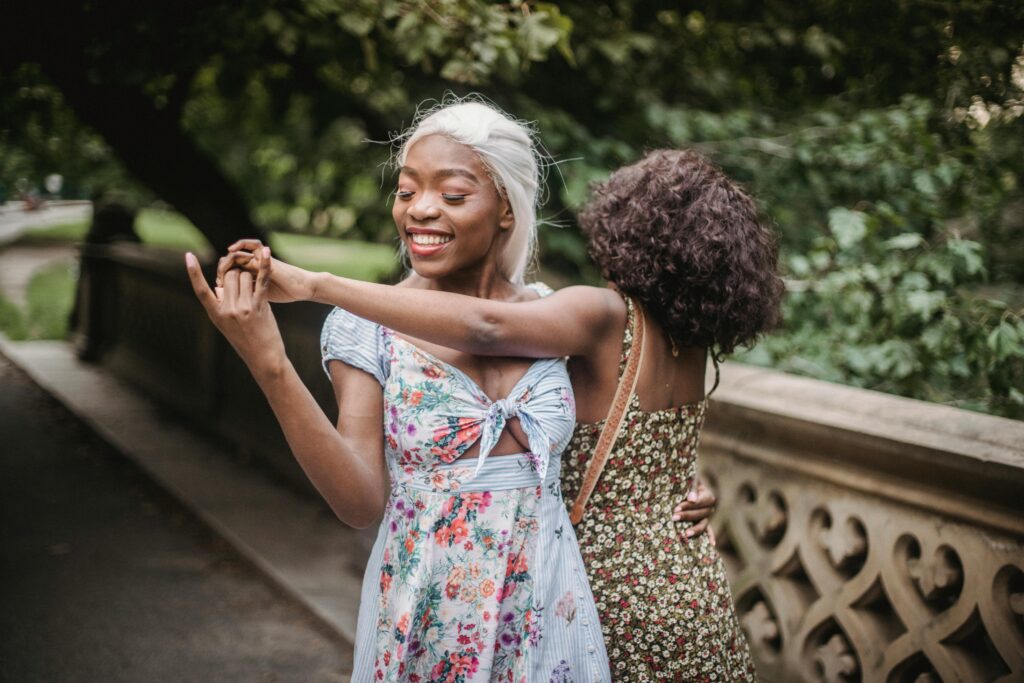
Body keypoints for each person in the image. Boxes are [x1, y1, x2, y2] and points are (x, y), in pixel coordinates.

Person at [218, 146, 782, 680]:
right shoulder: (692, 346)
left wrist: (318, 286)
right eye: (406, 189)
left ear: (628, 231)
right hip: (693, 593)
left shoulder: (596, 314)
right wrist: (690, 489)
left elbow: (486, 326)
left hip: (604, 597)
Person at [187, 100, 614, 682]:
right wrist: (270, 364)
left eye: (454, 195)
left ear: (507, 209)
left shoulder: (550, 316)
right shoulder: (364, 330)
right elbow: (357, 503)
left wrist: (685, 491)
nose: (421, 210)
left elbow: (621, 426)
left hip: (548, 611)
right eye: (408, 191)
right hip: (429, 616)